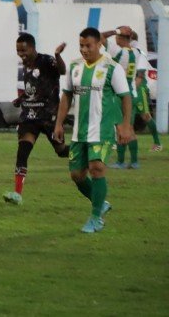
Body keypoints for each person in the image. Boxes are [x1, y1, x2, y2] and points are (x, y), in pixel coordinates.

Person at [54, 27, 134, 234]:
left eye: (88, 45)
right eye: (81, 45)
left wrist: (126, 125)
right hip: (80, 132)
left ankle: (96, 218)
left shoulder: (111, 68)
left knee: (97, 167)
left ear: (99, 44)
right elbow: (66, 96)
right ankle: (101, 203)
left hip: (103, 130)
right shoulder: (74, 67)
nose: (84, 49)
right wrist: (59, 123)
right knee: (77, 175)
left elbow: (125, 97)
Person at [3, 33, 68, 206]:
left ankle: (87, 153)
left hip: (49, 116)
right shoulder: (26, 65)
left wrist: (58, 55)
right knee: (22, 151)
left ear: (32, 47)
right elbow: (34, 89)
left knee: (62, 152)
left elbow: (62, 71)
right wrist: (22, 98)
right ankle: (17, 193)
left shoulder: (46, 61)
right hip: (29, 116)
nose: (21, 53)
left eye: (24, 50)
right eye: (18, 50)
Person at [102, 26, 146, 168]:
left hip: (119, 94)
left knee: (120, 127)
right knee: (130, 128)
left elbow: (100, 36)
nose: (115, 38)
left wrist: (115, 31)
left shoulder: (118, 51)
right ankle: (134, 162)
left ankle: (120, 161)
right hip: (131, 93)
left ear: (121, 37)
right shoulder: (137, 52)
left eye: (117, 36)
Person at [129, 31, 162, 153]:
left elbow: (140, 73)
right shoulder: (130, 51)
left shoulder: (137, 52)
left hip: (139, 87)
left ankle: (157, 143)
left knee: (145, 115)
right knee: (125, 117)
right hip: (131, 87)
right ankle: (119, 142)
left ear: (130, 38)